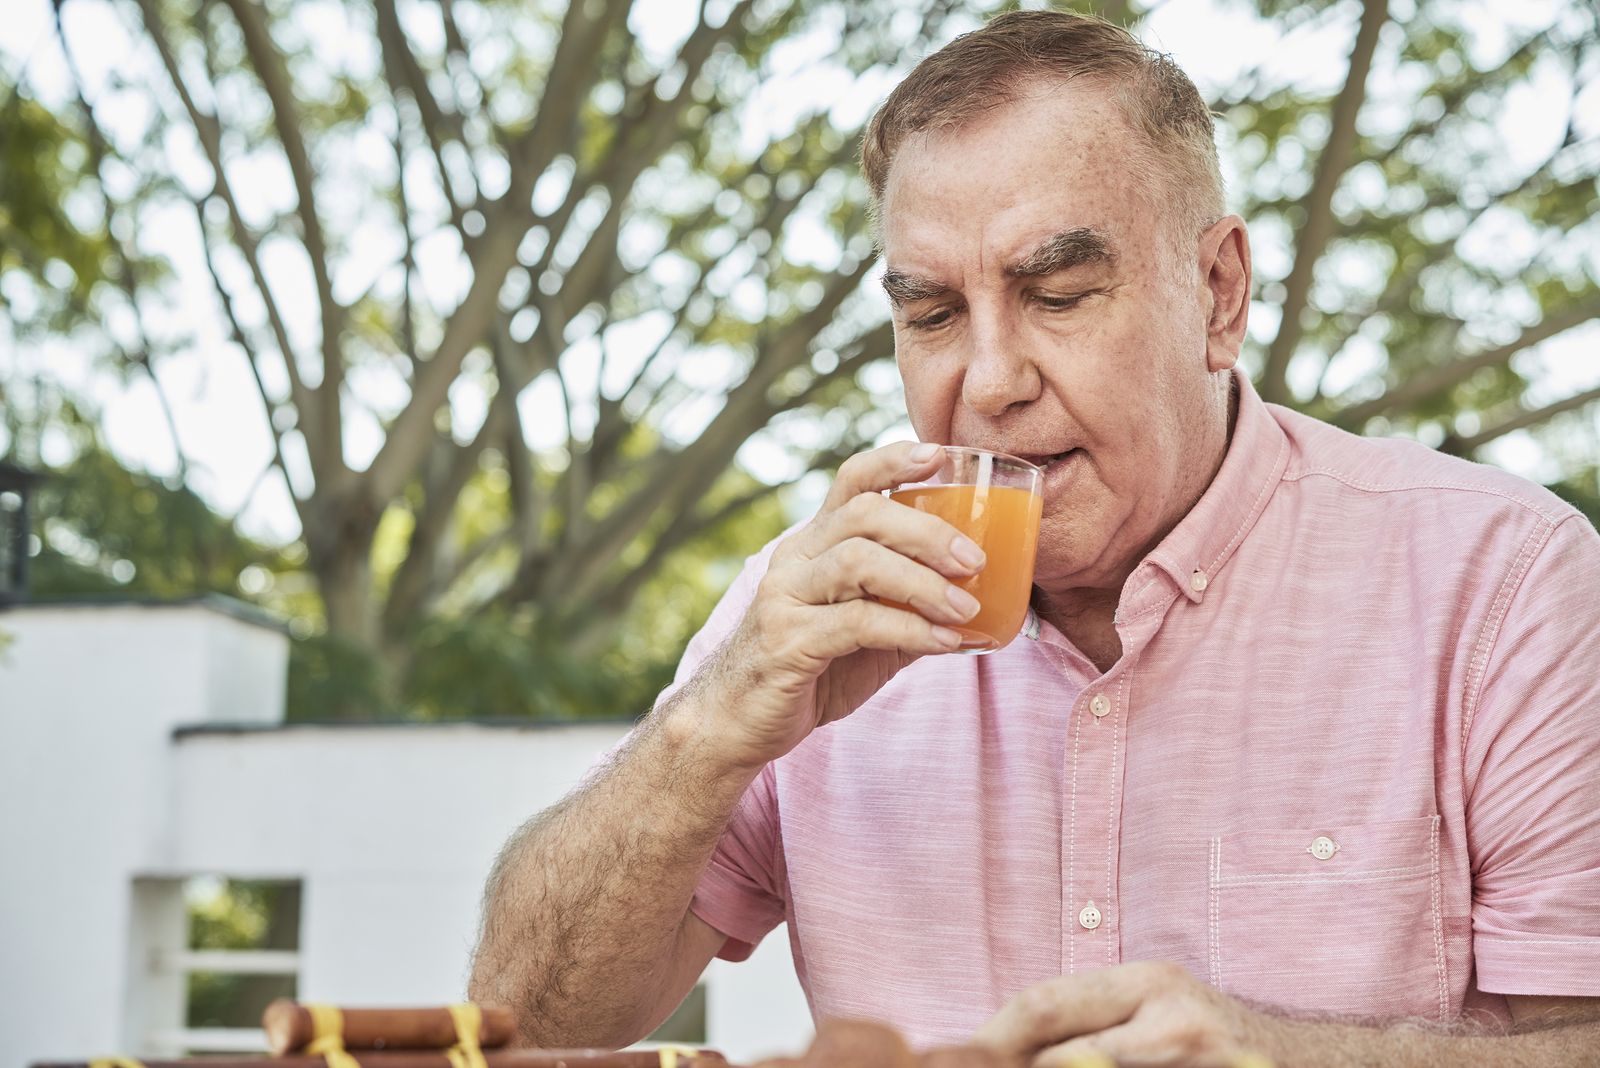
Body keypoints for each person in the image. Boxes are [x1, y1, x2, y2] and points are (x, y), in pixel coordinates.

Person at [468, 10, 1600, 1064]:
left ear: (1217, 294)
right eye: (931, 315)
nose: (990, 383)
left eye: (1058, 294)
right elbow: (520, 1026)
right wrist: (708, 727)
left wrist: (1285, 1054)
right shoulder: (802, 610)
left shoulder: (1502, 586)